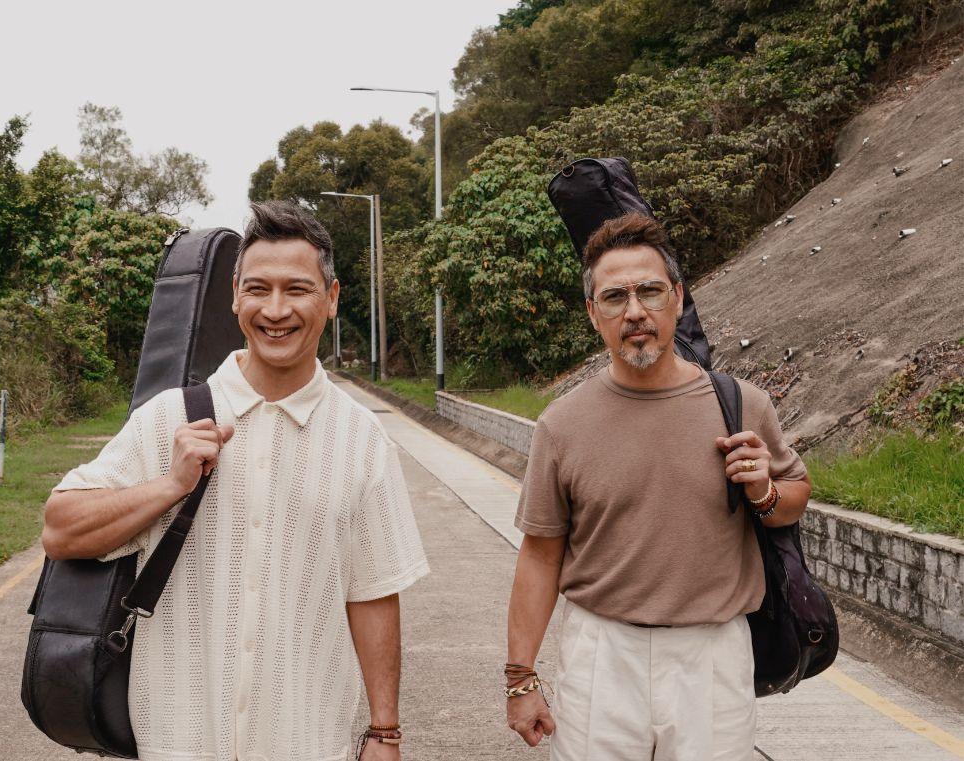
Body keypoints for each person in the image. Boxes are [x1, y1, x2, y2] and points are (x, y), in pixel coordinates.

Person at [42, 200, 429, 761]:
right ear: (234, 297)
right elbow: (60, 530)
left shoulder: (361, 438)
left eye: (297, 289)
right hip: (176, 742)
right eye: (257, 289)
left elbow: (372, 593)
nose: (275, 310)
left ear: (331, 298)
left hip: (307, 742)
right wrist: (170, 485)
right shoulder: (170, 417)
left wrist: (384, 731)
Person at [504, 212, 810, 760]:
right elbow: (540, 554)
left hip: (712, 655)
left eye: (650, 291)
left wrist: (763, 490)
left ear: (678, 297)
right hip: (600, 654)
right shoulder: (561, 424)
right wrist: (520, 678)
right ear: (593, 313)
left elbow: (792, 501)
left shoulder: (742, 405)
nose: (635, 311)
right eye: (615, 297)